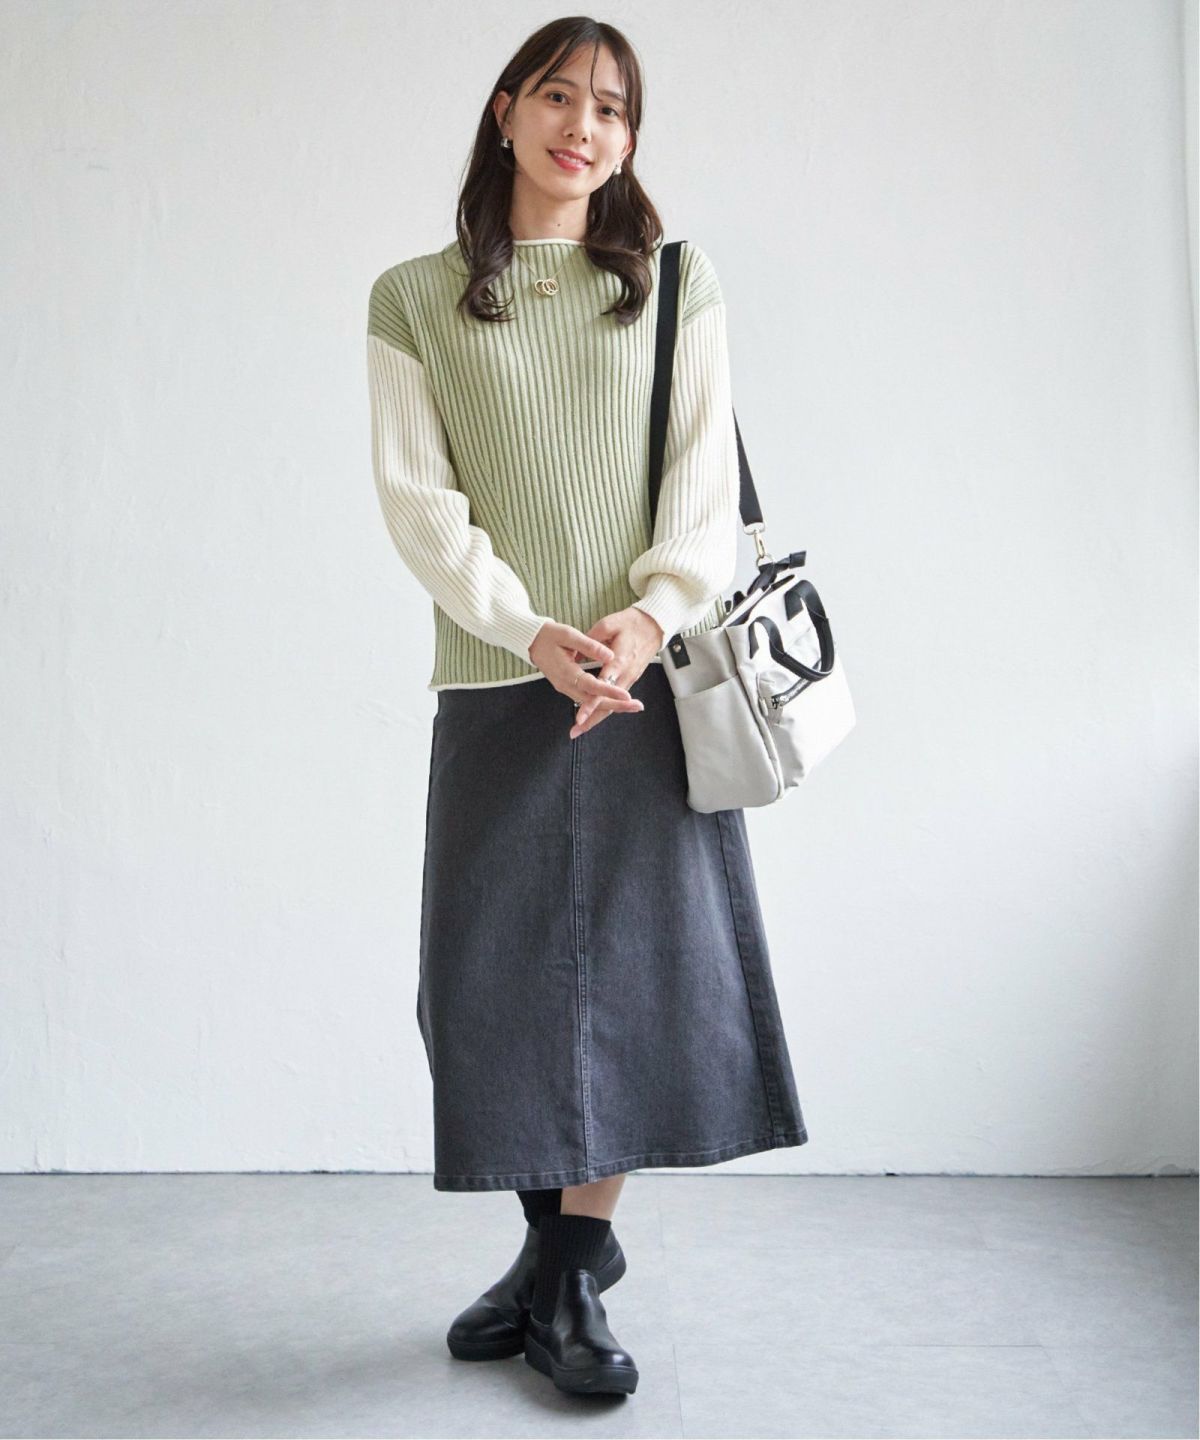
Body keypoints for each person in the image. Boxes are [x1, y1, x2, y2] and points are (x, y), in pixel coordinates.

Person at [366, 17, 808, 1399]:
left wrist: (647, 617)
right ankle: (557, 1258)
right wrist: (526, 628)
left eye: (614, 109)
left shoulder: (675, 282)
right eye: (561, 97)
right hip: (500, 676)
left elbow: (700, 483)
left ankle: (565, 1279)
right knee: (490, 984)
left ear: (630, 138)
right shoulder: (414, 298)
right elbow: (420, 501)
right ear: (506, 111)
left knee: (629, 981)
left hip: (641, 683)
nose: (586, 127)